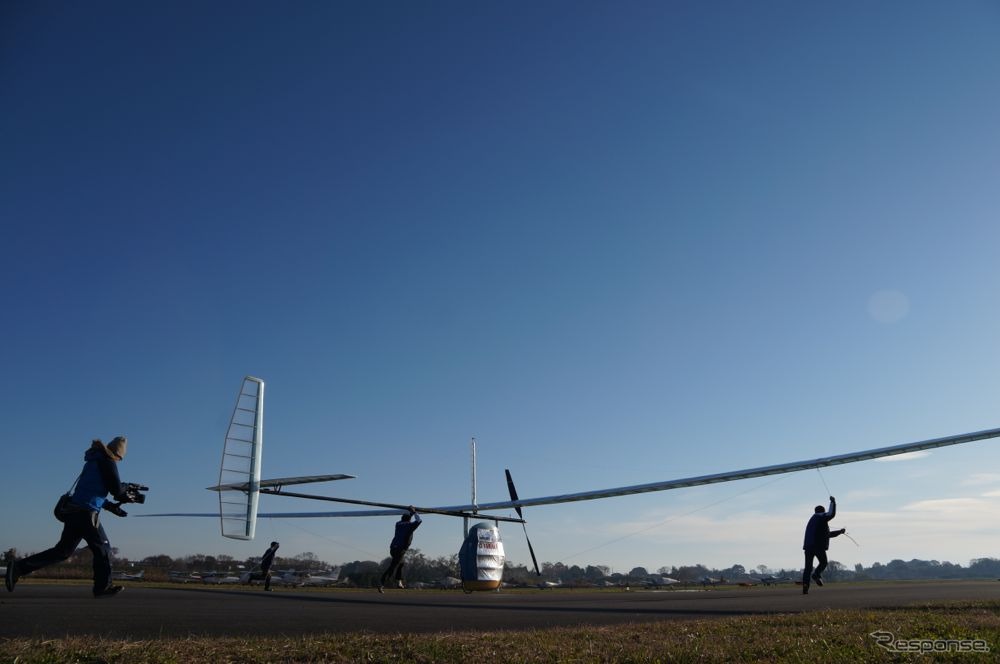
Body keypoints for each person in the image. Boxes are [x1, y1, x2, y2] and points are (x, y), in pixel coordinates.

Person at [5, 437, 132, 598]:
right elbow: (116, 490)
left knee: (62, 551)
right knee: (103, 548)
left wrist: (109, 506)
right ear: (118, 455)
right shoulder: (108, 462)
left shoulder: (93, 461)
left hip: (74, 511)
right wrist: (126, 488)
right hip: (87, 513)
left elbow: (89, 490)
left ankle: (19, 568)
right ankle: (102, 587)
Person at [801, 495, 846, 594]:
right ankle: (816, 574)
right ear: (822, 511)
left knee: (808, 567)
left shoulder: (813, 520)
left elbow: (827, 535)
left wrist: (840, 532)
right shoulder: (821, 517)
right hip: (817, 546)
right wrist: (833, 502)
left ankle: (805, 586)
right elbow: (831, 514)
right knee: (824, 562)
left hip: (808, 547)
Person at [378, 506, 421, 593]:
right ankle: (382, 584)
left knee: (401, 564)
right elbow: (419, 520)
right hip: (400, 550)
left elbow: (408, 519)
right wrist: (414, 512)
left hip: (393, 548)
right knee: (393, 567)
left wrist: (411, 513)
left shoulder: (398, 524)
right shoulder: (410, 525)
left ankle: (399, 582)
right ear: (409, 519)